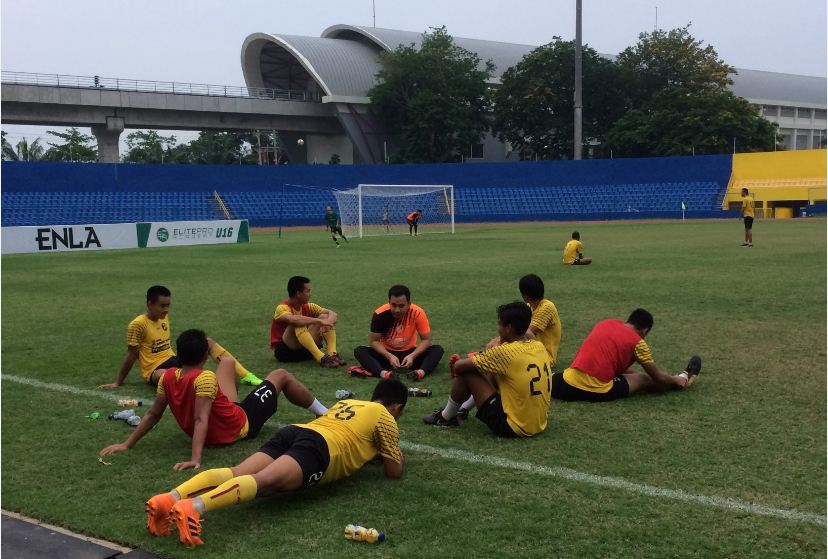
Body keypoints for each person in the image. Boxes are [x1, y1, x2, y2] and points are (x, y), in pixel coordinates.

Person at [143, 378, 407, 548]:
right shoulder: (385, 415)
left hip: (296, 432)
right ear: (396, 407)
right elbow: (393, 470)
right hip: (320, 448)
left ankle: (169, 498)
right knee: (264, 483)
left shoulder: (350, 401)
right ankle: (195, 507)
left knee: (238, 471)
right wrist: (389, 449)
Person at [99, 329, 328, 470]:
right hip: (241, 424)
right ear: (203, 357)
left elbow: (152, 413)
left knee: (227, 363)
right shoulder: (205, 378)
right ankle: (324, 413)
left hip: (226, 413)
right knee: (280, 376)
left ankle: (234, 404)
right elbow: (201, 419)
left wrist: (127, 443)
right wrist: (195, 458)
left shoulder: (167, 376)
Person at [423, 302, 552, 438]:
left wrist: (489, 350)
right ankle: (463, 409)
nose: (498, 328)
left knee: (468, 372)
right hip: (538, 423)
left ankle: (446, 417)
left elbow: (459, 366)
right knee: (492, 370)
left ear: (508, 328)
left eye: (500, 324)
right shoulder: (538, 346)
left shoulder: (505, 352)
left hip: (513, 427)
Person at [100, 285, 261, 388]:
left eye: (168, 305)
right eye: (162, 306)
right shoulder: (138, 324)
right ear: (149, 304)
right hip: (154, 370)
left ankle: (246, 375)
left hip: (175, 360)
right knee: (162, 376)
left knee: (208, 342)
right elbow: (131, 354)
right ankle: (206, 383)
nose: (166, 310)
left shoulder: (163, 318)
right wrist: (118, 382)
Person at [454, 274, 562, 418]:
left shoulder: (546, 307)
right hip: (531, 352)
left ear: (524, 295)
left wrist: (495, 346)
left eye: (500, 324)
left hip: (538, 356)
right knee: (493, 366)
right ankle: (464, 408)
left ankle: (448, 414)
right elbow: (518, 332)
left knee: (477, 368)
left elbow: (526, 332)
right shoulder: (529, 308)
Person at [551, 308, 701, 402]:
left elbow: (612, 364)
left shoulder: (606, 323)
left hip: (566, 383)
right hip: (596, 390)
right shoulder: (638, 342)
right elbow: (658, 378)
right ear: (645, 331)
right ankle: (683, 379)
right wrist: (675, 379)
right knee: (644, 379)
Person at [351, 284, 444, 381]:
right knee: (360, 351)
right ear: (389, 302)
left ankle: (419, 373)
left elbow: (426, 340)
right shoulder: (379, 314)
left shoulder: (418, 313)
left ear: (409, 303)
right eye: (393, 305)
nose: (397, 310)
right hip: (386, 354)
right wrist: (389, 356)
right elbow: (374, 341)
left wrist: (412, 356)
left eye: (401, 306)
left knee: (437, 350)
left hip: (409, 354)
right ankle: (385, 374)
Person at [271, 276, 345, 368]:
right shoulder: (282, 308)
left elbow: (333, 314)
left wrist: (327, 321)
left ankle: (332, 354)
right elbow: (294, 320)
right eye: (308, 291)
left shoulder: (309, 306)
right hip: (285, 353)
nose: (310, 294)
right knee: (298, 322)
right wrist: (321, 322)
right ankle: (321, 358)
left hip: (306, 351)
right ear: (298, 293)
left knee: (324, 316)